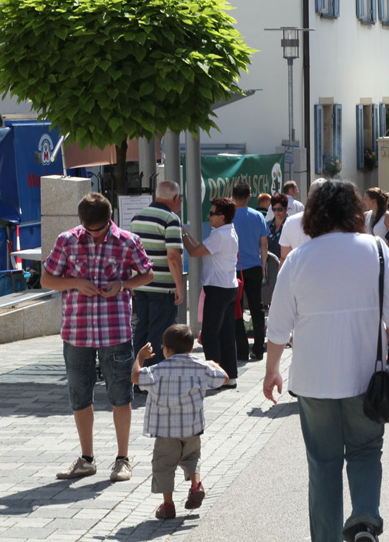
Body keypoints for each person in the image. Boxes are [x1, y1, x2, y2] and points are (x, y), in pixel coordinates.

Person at [264, 180, 389, 542]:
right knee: (365, 450)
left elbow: (277, 327)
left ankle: (326, 537)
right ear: (354, 212)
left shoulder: (297, 259)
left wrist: (271, 371)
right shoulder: (376, 250)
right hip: (365, 373)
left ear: (313, 215)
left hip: (313, 380)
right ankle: (363, 522)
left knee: (323, 463)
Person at [41, 192, 154, 482]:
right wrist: (76, 283)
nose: (95, 235)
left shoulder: (128, 241)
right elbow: (47, 279)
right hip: (76, 331)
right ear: (81, 222)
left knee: (120, 395)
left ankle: (123, 458)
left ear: (110, 218)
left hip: (115, 330)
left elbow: (147, 275)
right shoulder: (67, 240)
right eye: (90, 229)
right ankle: (87, 458)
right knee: (79, 395)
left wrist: (123, 285)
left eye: (100, 229)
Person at [131, 324, 228, 520]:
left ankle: (168, 505)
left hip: (165, 432)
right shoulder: (200, 367)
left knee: (164, 466)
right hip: (192, 428)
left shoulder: (158, 370)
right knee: (192, 457)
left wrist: (140, 358)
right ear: (191, 349)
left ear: (165, 349)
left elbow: (135, 377)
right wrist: (212, 365)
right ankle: (196, 485)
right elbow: (225, 378)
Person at [181, 198, 240, 389]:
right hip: (229, 287)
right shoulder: (227, 231)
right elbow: (202, 247)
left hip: (218, 288)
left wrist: (180, 235)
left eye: (212, 213)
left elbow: (195, 252)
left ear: (222, 217)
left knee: (209, 334)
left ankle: (213, 377)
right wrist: (186, 233)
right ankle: (229, 376)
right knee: (226, 333)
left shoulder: (219, 235)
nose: (209, 216)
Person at [129, 181, 185, 370]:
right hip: (162, 286)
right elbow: (173, 256)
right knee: (159, 331)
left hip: (141, 283)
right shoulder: (171, 219)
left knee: (141, 330)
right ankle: (152, 376)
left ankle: (137, 374)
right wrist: (179, 286)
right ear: (176, 198)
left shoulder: (137, 217)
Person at [231, 182, 270, 361]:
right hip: (254, 266)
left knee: (236, 308)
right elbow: (264, 245)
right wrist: (262, 266)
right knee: (257, 308)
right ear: (249, 196)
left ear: (232, 196)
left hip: (234, 268)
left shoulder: (228, 216)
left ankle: (241, 349)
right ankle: (259, 348)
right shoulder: (257, 216)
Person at [279, 178, 324, 263]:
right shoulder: (340, 224)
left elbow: (284, 258)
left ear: (309, 196)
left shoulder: (290, 222)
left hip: (300, 273)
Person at [267, 193, 288, 260]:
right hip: (269, 266)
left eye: (280, 209)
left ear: (286, 208)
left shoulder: (290, 225)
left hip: (285, 265)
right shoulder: (267, 225)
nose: (277, 212)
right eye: (274, 209)